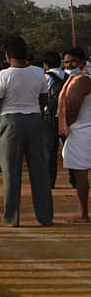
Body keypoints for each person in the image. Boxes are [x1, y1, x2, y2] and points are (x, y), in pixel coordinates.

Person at [0, 35, 53, 227]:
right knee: (40, 171)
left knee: (11, 171)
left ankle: (11, 217)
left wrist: (1, 119)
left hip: (11, 121)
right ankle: (45, 216)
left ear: (8, 55)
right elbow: (43, 99)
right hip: (34, 119)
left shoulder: (3, 75)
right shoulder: (38, 72)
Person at [61, 47, 91, 223]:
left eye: (72, 61)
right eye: (66, 62)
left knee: (81, 175)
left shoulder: (81, 81)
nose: (69, 65)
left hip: (82, 130)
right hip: (81, 129)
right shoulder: (76, 79)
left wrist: (66, 124)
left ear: (82, 61)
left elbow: (72, 109)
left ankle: (83, 214)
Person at [41, 51, 67, 189]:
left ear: (46, 64)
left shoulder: (45, 77)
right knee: (69, 148)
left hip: (49, 117)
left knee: (50, 151)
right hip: (66, 117)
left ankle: (50, 181)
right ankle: (75, 178)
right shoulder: (69, 76)